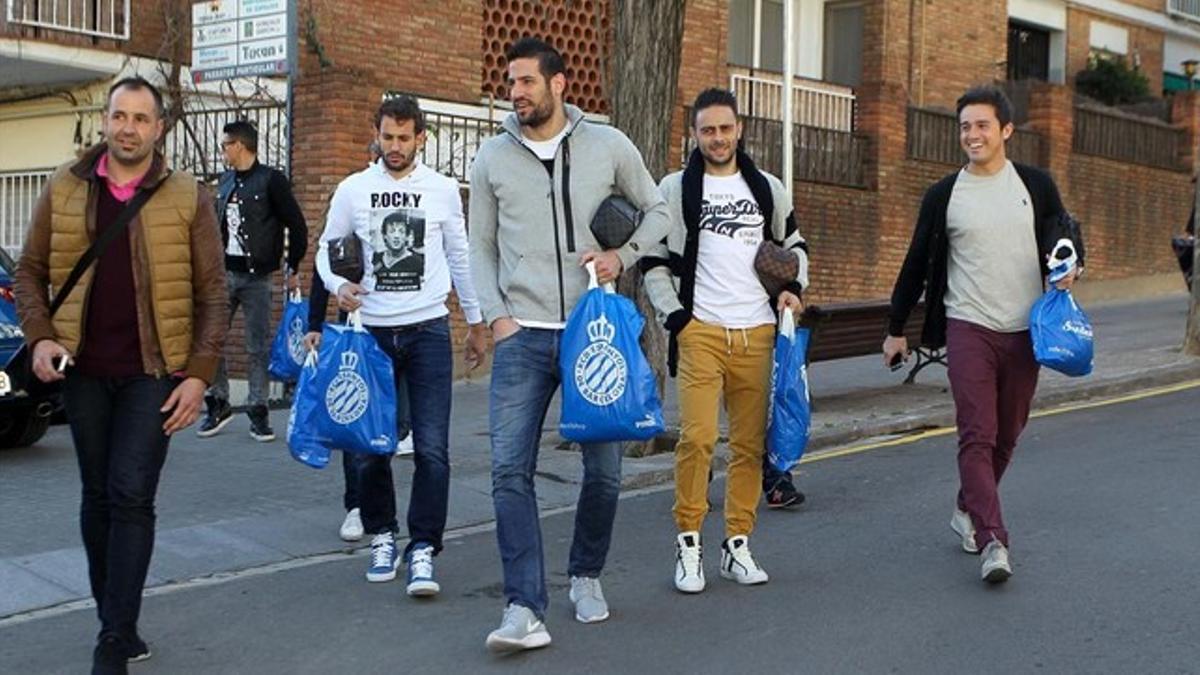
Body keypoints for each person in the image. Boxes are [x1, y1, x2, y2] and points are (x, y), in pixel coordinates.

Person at [14, 76, 227, 675]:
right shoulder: (64, 186)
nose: (129, 127)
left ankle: (112, 636)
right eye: (119, 116)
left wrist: (200, 374)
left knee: (131, 493)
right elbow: (30, 272)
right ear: (104, 121)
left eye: (141, 118)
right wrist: (41, 336)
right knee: (97, 495)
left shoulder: (188, 196)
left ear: (160, 129)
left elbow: (214, 292)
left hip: (153, 375)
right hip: (82, 372)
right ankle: (120, 618)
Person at [470, 36, 670, 652]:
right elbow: (481, 246)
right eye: (511, 82)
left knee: (604, 473)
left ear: (559, 85)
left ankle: (585, 574)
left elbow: (659, 211)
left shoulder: (608, 144)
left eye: (527, 81)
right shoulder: (491, 159)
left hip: (596, 334)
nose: (516, 92)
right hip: (523, 335)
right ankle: (523, 607)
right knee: (508, 471)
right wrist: (497, 316)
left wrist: (622, 256)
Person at [882, 85, 1084, 584]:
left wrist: (1070, 267)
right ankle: (993, 539)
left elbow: (1066, 237)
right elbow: (914, 268)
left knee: (1008, 435)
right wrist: (895, 330)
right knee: (978, 434)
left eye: (982, 125)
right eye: (965, 126)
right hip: (968, 327)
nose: (971, 135)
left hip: (1024, 331)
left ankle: (967, 505)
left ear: (1006, 130)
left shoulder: (1035, 186)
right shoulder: (944, 196)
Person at [316, 94, 486, 597]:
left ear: (421, 139)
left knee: (433, 449)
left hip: (430, 331)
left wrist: (475, 322)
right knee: (371, 447)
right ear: (377, 133)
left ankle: (424, 549)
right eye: (387, 137)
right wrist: (336, 287)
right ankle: (384, 535)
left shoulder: (441, 191)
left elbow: (460, 255)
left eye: (403, 138)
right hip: (371, 334)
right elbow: (327, 255)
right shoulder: (352, 190)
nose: (394, 146)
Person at [642, 88, 809, 594]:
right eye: (707, 130)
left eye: (725, 128)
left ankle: (737, 542)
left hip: (757, 333)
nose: (717, 138)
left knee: (748, 446)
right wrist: (676, 319)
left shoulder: (767, 188)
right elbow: (653, 262)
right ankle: (688, 541)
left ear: (739, 130)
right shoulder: (674, 188)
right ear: (694, 134)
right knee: (696, 438)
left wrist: (793, 290)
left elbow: (796, 245)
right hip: (702, 333)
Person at [198, 119, 308, 442]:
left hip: (257, 277)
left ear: (240, 146)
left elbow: (296, 225)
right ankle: (218, 402)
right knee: (212, 336)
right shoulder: (226, 180)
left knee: (256, 346)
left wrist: (293, 266)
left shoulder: (271, 180)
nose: (222, 151)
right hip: (223, 274)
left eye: (225, 145)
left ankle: (258, 410)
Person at [302, 266, 413, 544]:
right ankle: (356, 506)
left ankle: (373, 501)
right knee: (356, 423)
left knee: (396, 426)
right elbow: (323, 267)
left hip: (409, 327)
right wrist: (314, 324)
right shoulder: (348, 224)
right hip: (359, 327)